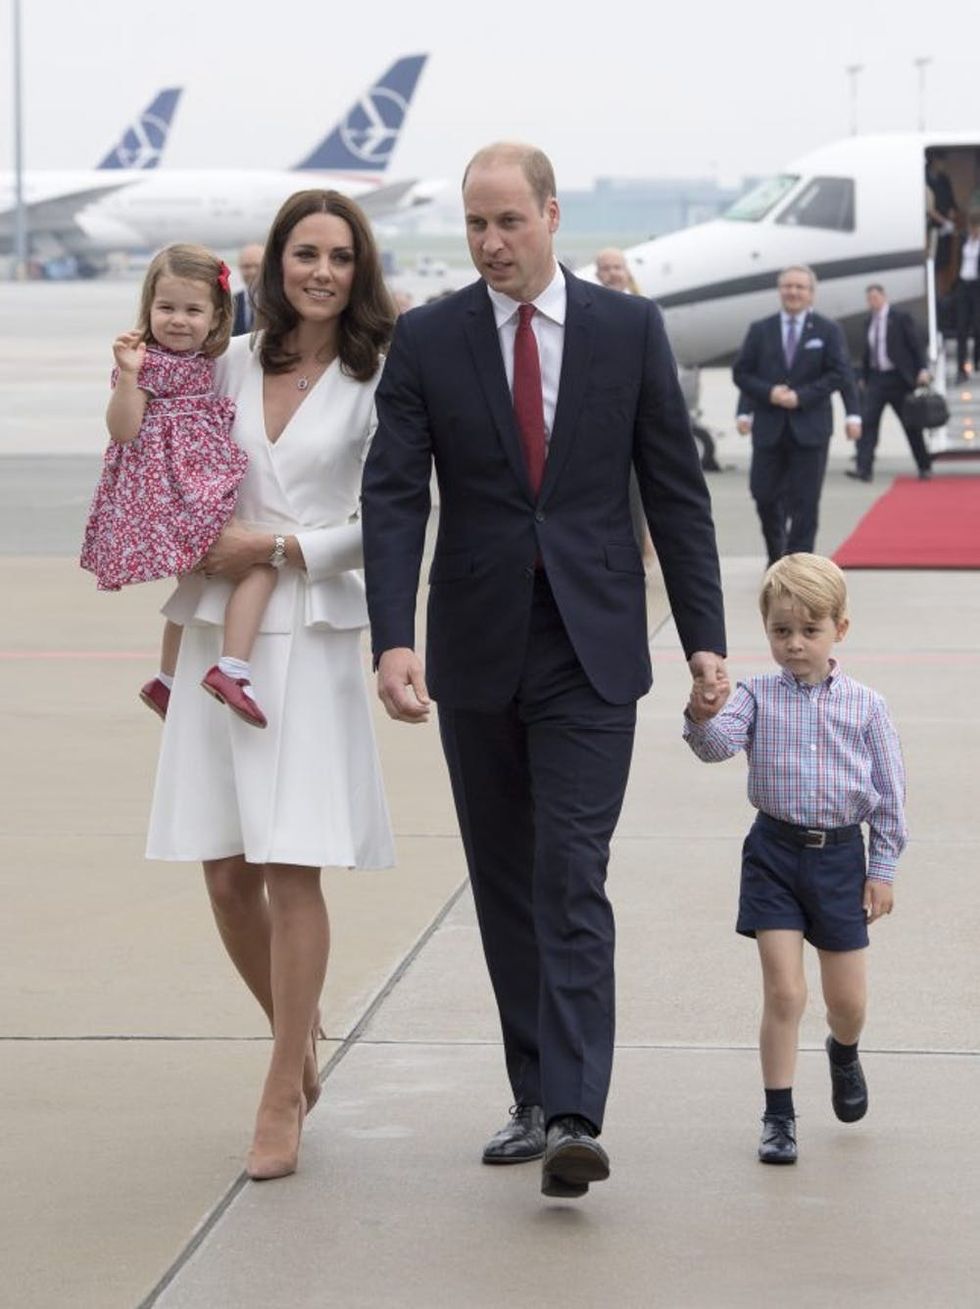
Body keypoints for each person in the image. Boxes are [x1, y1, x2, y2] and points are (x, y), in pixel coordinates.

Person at [362, 142, 728, 1199]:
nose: (489, 244)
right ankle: (531, 1089)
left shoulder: (626, 330)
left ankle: (572, 1110)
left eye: (507, 223)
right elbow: (393, 495)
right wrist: (393, 635)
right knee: (505, 880)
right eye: (475, 225)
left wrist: (701, 632)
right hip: (475, 650)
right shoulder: (429, 340)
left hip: (591, 644)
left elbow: (674, 491)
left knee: (569, 871)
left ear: (551, 216)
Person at [145, 189, 396, 1181]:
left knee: (292, 867)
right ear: (275, 265)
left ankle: (280, 1085)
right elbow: (164, 466)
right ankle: (298, 1035)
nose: (321, 271)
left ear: (358, 267)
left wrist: (286, 545)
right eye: (305, 252)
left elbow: (391, 516)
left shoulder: (381, 378)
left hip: (313, 633)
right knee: (222, 870)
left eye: (339, 255)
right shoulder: (229, 361)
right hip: (221, 629)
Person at [683, 553, 907, 1165]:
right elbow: (714, 747)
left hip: (839, 863)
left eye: (810, 630)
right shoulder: (755, 697)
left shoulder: (867, 707)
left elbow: (889, 797)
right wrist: (702, 712)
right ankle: (778, 1116)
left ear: (841, 629)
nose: (795, 644)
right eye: (782, 631)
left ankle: (844, 1049)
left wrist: (881, 869)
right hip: (774, 855)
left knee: (847, 1003)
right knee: (784, 993)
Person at [80, 243, 278, 728]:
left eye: (193, 310)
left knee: (195, 581)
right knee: (260, 563)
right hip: (178, 495)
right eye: (166, 307)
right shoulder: (144, 362)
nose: (178, 321)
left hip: (194, 487)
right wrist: (128, 378)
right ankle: (232, 668)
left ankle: (166, 682)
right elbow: (123, 430)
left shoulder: (211, 362)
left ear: (216, 317)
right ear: (148, 307)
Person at [732, 265, 860, 564]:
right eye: (788, 286)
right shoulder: (760, 329)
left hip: (810, 428)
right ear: (780, 291)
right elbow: (742, 373)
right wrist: (769, 393)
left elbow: (840, 374)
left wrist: (802, 397)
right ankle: (777, 554)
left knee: (805, 503)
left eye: (800, 287)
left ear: (811, 293)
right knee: (763, 495)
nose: (793, 292)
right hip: (769, 427)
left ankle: (799, 568)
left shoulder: (828, 330)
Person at [846, 284, 932, 482]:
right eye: (869, 299)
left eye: (875, 297)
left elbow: (915, 345)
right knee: (868, 424)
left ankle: (924, 465)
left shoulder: (900, 317)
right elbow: (867, 353)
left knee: (910, 425)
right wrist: (863, 377)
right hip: (877, 380)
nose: (872, 302)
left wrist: (922, 369)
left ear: (884, 297)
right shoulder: (869, 322)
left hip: (899, 379)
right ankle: (864, 469)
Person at [953, 212, 980, 383]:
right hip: (964, 284)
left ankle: (977, 362)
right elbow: (957, 260)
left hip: (977, 286)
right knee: (961, 328)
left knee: (978, 326)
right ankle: (960, 366)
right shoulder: (964, 241)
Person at [232, 243, 264, 336]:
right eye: (246, 266)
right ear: (239, 268)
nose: (252, 271)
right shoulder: (231, 303)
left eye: (257, 266)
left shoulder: (281, 300)